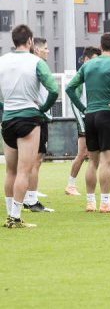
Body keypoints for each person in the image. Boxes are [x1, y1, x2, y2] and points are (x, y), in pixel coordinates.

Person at [0, 25, 59, 228]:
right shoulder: (36, 62)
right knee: (24, 171)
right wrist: (43, 108)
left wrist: (5, 105)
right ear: (31, 41)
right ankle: (14, 218)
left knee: (10, 171)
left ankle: (10, 214)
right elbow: (53, 89)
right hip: (29, 119)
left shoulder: (2, 61)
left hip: (7, 119)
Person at [67, 33, 110, 213]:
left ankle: (90, 202)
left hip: (90, 115)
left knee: (92, 161)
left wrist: (83, 108)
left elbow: (69, 88)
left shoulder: (88, 65)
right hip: (107, 112)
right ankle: (105, 203)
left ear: (100, 46)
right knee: (106, 161)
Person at [21, 37, 55, 212]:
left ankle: (25, 197)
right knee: (36, 160)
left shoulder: (25, 67)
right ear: (36, 50)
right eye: (46, 48)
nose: (48, 51)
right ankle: (31, 200)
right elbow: (53, 91)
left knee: (26, 162)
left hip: (22, 116)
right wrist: (44, 109)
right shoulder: (38, 66)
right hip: (37, 117)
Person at [65, 46, 102, 196]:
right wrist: (83, 111)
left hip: (92, 117)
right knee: (82, 153)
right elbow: (72, 96)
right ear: (86, 59)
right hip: (85, 119)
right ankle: (70, 185)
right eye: (94, 59)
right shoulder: (81, 77)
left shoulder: (92, 75)